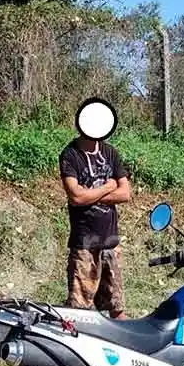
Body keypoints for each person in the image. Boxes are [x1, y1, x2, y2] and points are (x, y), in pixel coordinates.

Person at [58, 131, 131, 319]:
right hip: (84, 245)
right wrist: (107, 187)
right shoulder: (70, 154)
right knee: (79, 312)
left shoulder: (110, 152)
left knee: (117, 308)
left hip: (111, 243)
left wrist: (89, 195)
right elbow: (76, 196)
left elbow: (125, 194)